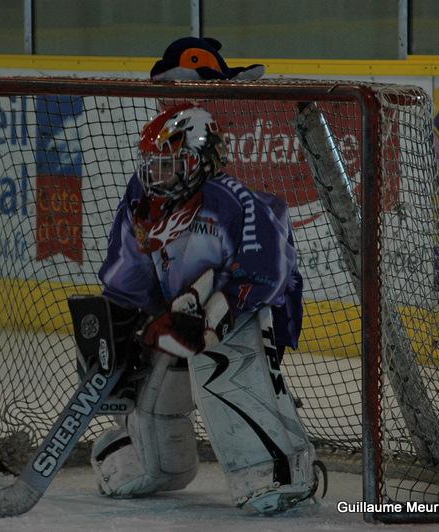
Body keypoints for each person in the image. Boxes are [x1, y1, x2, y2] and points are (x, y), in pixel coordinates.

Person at [88, 102, 323, 514]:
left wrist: (214, 314)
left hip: (247, 310)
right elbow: (128, 278)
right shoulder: (141, 200)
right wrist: (118, 328)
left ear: (200, 161)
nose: (156, 175)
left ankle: (276, 468)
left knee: (221, 367)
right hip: (180, 312)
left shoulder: (235, 203)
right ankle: (155, 461)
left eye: (168, 165)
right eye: (152, 164)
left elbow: (264, 273)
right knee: (153, 394)